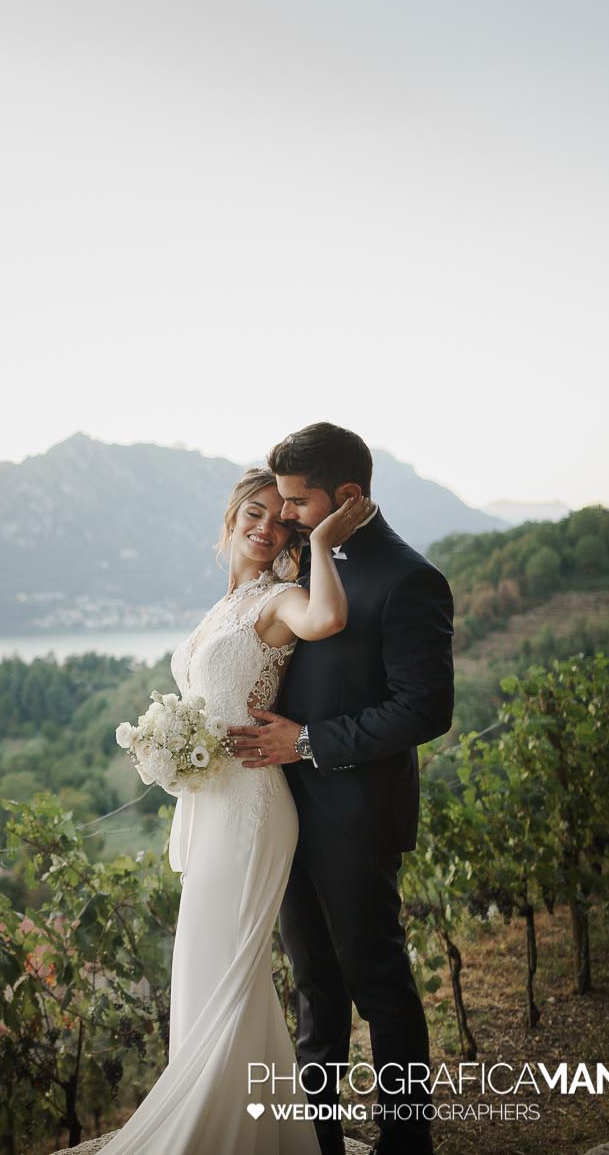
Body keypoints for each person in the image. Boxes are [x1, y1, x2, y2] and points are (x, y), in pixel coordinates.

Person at [104, 466, 367, 1154]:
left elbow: (330, 617)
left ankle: (212, 1130)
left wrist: (324, 542)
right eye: (255, 512)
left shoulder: (281, 597)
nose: (266, 526)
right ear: (230, 518)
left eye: (281, 520)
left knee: (228, 964)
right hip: (209, 803)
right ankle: (252, 1131)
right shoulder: (224, 603)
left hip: (251, 804)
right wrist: (167, 746)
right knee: (205, 963)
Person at [227, 422, 454, 1155]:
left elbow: (424, 708)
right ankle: (316, 1143)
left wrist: (308, 741)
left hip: (357, 815)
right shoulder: (297, 558)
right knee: (314, 992)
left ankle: (404, 1143)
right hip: (285, 811)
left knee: (377, 983)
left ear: (348, 496)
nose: (284, 512)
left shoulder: (408, 578)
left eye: (297, 499)